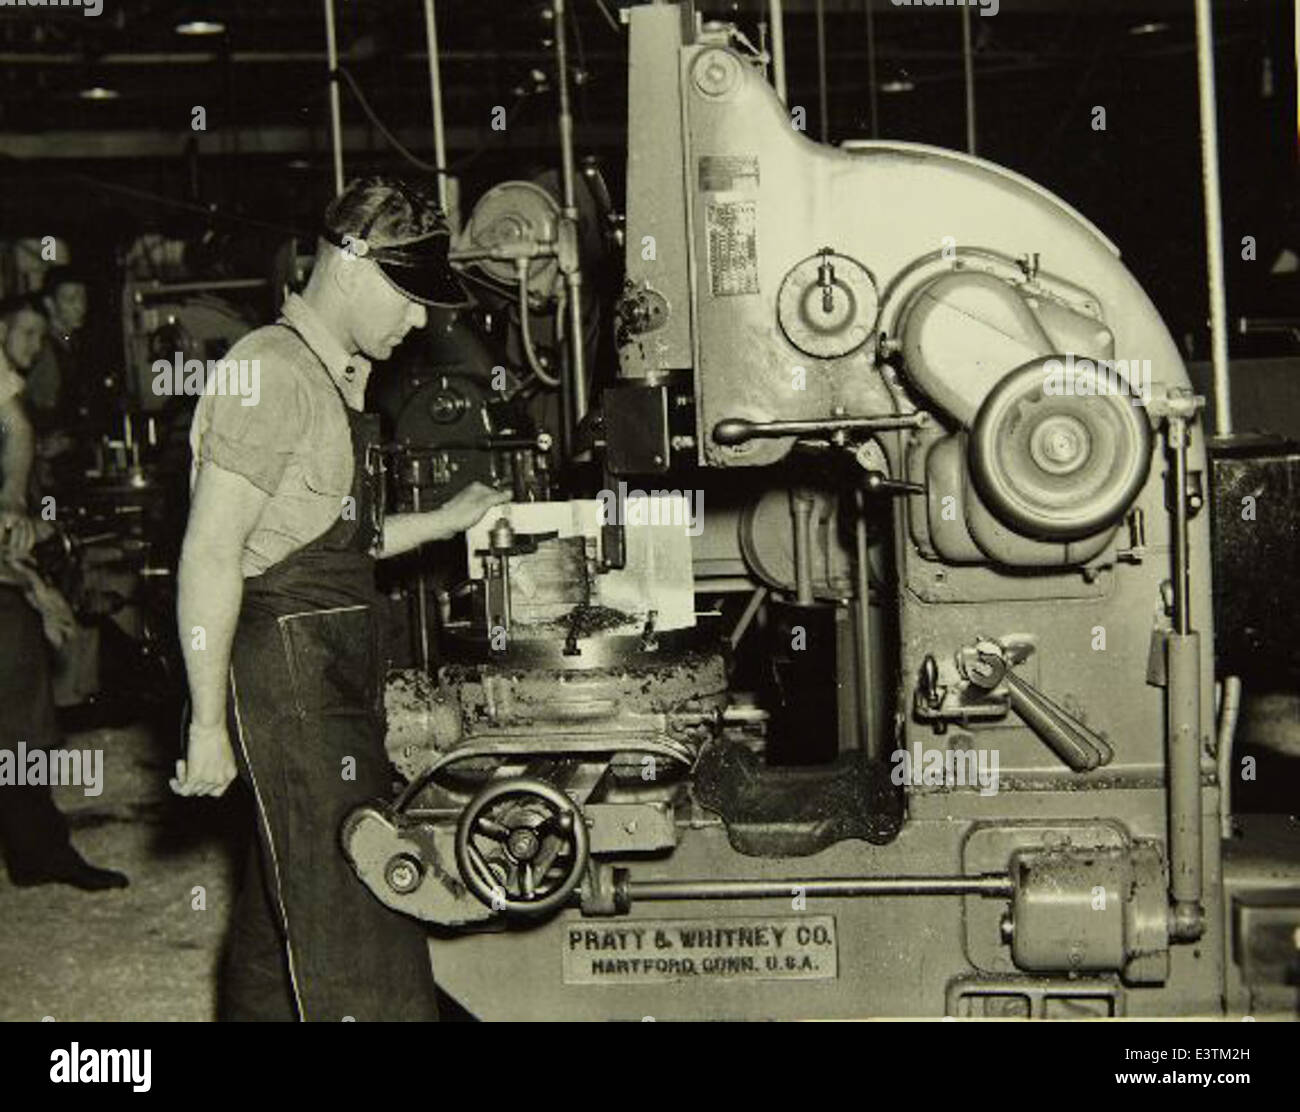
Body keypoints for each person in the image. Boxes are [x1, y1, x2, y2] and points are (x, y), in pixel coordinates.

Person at [174, 176, 508, 1021]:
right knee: (359, 916)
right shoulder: (268, 373)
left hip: (326, 677)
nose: (423, 321)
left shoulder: (330, 379)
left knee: (282, 904)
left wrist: (445, 522)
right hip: (284, 682)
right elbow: (211, 553)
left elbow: (335, 542)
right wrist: (207, 724)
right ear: (353, 265)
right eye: (411, 296)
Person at [0, 294, 127, 891]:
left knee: (18, 718)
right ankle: (40, 851)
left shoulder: (11, 397)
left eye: (36, 333)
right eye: (21, 333)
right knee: (20, 716)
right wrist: (37, 589)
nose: (33, 344)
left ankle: (32, 850)